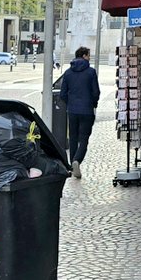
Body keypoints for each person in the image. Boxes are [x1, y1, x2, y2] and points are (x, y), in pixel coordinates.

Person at [58, 46, 100, 180]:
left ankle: (72, 165)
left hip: (73, 111)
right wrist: (93, 103)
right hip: (87, 111)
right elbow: (95, 92)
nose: (89, 57)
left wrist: (70, 103)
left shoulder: (68, 73)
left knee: (73, 138)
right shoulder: (91, 72)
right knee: (84, 139)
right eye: (88, 55)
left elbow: (62, 93)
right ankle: (77, 160)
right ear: (83, 56)